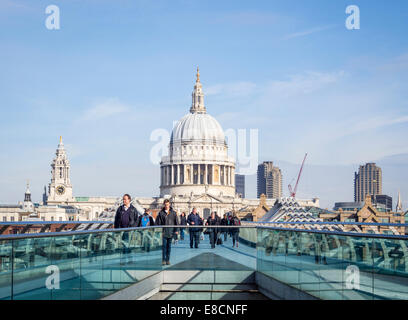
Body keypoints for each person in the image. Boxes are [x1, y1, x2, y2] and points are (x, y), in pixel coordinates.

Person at [114, 194, 140, 264]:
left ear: (129, 200)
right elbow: (116, 219)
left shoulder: (133, 209)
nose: (124, 201)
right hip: (121, 230)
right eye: (123, 199)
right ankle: (129, 259)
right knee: (125, 245)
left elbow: (137, 220)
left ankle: (124, 260)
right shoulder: (120, 208)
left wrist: (133, 228)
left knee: (125, 245)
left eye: (125, 199)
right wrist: (116, 230)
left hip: (129, 230)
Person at [155, 199, 178, 265]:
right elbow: (158, 223)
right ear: (164, 205)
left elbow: (176, 222)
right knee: (164, 247)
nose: (166, 206)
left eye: (167, 204)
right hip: (164, 232)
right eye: (165, 205)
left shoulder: (173, 213)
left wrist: (176, 230)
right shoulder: (161, 213)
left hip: (170, 232)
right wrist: (159, 231)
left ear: (169, 204)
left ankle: (168, 259)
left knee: (169, 247)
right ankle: (163, 260)